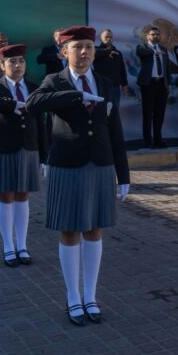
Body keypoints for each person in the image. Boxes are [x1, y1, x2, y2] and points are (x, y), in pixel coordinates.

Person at [26, 26, 130, 326]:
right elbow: (33, 104)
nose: (84, 52)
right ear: (64, 52)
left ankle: (91, 296)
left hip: (100, 164)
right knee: (70, 231)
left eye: (89, 46)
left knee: (94, 230)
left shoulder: (105, 82)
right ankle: (73, 296)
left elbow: (114, 129)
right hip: (67, 165)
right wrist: (74, 95)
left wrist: (123, 174)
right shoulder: (54, 80)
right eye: (77, 47)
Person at [0, 43, 47, 267]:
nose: (17, 65)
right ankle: (8, 246)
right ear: (2, 66)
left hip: (28, 148)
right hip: (3, 149)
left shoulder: (34, 87)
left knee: (23, 197)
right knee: (6, 197)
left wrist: (44, 155)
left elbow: (41, 123)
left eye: (21, 61)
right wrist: (9, 103)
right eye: (12, 61)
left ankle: (22, 245)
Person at [135, 25, 170, 148]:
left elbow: (167, 67)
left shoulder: (163, 49)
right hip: (148, 83)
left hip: (161, 83)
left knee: (160, 113)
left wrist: (168, 83)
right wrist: (154, 51)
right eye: (153, 34)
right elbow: (141, 53)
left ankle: (158, 139)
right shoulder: (142, 47)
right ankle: (147, 140)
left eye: (157, 34)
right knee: (148, 113)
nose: (155, 36)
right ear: (147, 36)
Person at [93, 29, 128, 107]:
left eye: (110, 37)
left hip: (115, 87)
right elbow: (95, 54)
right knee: (101, 110)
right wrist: (107, 52)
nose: (109, 39)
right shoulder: (96, 50)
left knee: (115, 110)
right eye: (106, 37)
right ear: (101, 38)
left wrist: (124, 84)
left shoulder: (118, 53)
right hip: (101, 87)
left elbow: (122, 69)